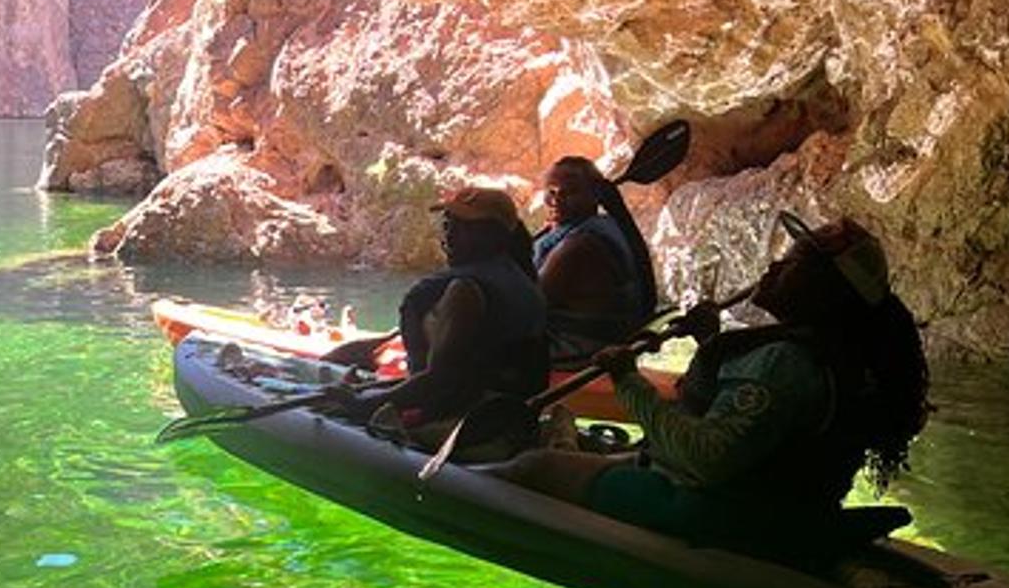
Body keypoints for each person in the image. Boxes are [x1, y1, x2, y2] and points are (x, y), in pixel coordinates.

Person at [495, 212, 931, 539]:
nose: (775, 267)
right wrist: (709, 342)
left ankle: (465, 481)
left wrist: (627, 380)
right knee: (580, 444)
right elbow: (761, 420)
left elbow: (708, 458)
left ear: (824, 293)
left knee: (532, 467)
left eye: (793, 264)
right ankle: (562, 447)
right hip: (770, 506)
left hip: (724, 512)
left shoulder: (785, 361)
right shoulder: (833, 357)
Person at [328, 185, 547, 446]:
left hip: (467, 425)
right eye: (447, 224)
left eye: (463, 227)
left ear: (492, 236)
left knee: (341, 407)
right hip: (508, 416)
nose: (449, 236)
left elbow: (439, 380)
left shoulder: (465, 291)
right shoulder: (525, 283)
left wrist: (361, 403)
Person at [533, 156, 657, 359]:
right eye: (551, 192)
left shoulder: (579, 245)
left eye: (570, 192)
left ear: (594, 196)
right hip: (597, 333)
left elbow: (532, 304)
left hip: (578, 342)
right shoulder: (602, 224)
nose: (556, 200)